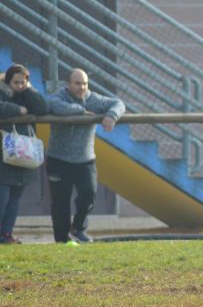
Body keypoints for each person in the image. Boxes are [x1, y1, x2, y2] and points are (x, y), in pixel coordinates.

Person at [47, 68, 125, 244]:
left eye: (85, 83)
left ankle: (78, 228)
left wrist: (111, 116)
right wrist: (80, 111)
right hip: (58, 159)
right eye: (77, 83)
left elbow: (119, 103)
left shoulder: (93, 99)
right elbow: (52, 104)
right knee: (60, 203)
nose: (82, 87)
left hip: (85, 159)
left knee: (89, 194)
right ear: (68, 84)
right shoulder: (59, 96)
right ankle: (61, 241)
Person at [0, 64, 48, 244]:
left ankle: (6, 235)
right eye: (16, 82)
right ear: (7, 81)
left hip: (23, 156)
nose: (19, 85)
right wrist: (17, 110)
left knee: (14, 199)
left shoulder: (26, 94)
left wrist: (28, 89)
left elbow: (42, 108)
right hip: (3, 157)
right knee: (2, 199)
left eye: (23, 82)